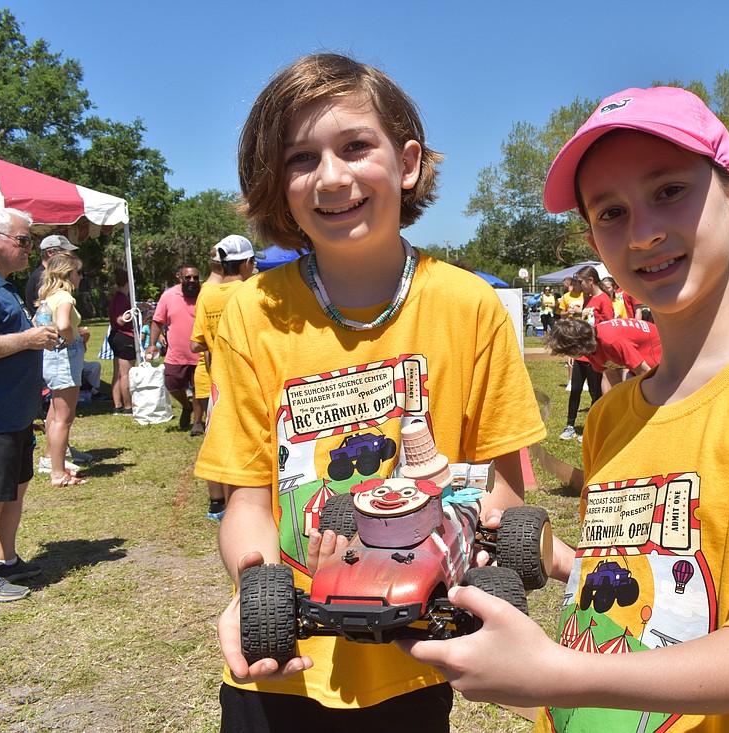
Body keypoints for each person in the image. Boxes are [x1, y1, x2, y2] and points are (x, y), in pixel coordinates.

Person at [402, 86, 729, 732]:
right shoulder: (609, 417)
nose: (642, 231)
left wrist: (552, 672)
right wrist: (554, 558)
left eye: (669, 190)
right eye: (611, 212)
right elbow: (633, 576)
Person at [192, 53, 546, 732]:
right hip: (285, 674)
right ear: (277, 180)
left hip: (413, 662)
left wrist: (454, 550)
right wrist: (254, 585)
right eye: (300, 158)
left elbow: (503, 493)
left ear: (407, 161)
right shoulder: (253, 310)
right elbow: (246, 500)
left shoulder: (468, 306)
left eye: (355, 146)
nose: (331, 177)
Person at [0, 208, 55, 602]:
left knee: (13, 489)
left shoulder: (0, 282)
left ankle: (6, 560)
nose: (28, 250)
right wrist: (27, 340)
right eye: (22, 241)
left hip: (11, 414)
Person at [189, 235, 262, 520]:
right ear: (246, 263)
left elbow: (196, 343)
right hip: (247, 380)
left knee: (219, 444)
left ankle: (219, 506)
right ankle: (242, 511)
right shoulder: (252, 291)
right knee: (245, 449)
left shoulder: (206, 293)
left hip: (216, 380)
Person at [38, 252, 88, 487]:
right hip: (64, 358)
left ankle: (55, 463)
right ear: (69, 274)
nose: (80, 277)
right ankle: (57, 472)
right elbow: (63, 325)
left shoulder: (49, 297)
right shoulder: (65, 296)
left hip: (52, 357)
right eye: (78, 272)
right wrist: (69, 339)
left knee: (55, 414)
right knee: (64, 418)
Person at [146, 265, 203, 432]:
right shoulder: (168, 295)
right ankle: (187, 406)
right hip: (176, 354)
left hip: (200, 352)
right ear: (180, 277)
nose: (192, 281)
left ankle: (198, 423)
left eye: (195, 277)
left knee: (198, 389)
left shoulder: (205, 294)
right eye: (188, 277)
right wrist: (151, 345)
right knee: (172, 384)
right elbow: (157, 321)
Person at [559, 266, 611, 440]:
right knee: (575, 389)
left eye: (581, 282)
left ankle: (593, 427)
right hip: (582, 353)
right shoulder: (587, 299)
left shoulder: (604, 300)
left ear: (590, 281)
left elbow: (609, 328)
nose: (578, 285)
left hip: (596, 354)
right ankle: (570, 425)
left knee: (596, 392)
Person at [546, 317, 661, 392]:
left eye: (567, 351)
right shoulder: (592, 345)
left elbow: (645, 372)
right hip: (643, 363)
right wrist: (612, 404)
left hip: (658, 353)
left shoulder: (611, 341)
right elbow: (610, 372)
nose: (567, 355)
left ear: (576, 346)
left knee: (643, 391)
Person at [23, 234, 78, 317]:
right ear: (50, 253)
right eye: (65, 253)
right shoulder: (43, 278)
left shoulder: (45, 275)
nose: (69, 257)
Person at [107, 269, 137, 415]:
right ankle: (127, 406)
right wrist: (132, 313)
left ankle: (117, 405)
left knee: (118, 373)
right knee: (126, 374)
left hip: (116, 336)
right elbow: (120, 320)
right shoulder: (121, 299)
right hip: (124, 336)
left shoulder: (119, 297)